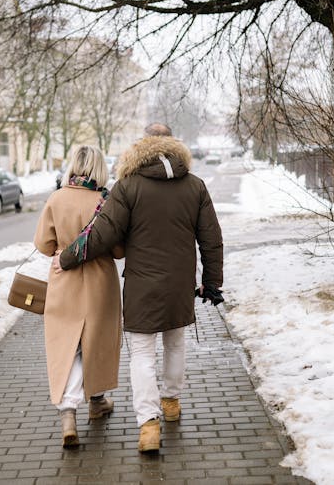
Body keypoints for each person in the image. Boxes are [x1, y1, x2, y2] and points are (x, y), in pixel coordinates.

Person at [53, 123, 224, 452]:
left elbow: (101, 234)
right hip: (179, 284)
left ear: (142, 146)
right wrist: (211, 282)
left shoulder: (128, 186)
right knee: (175, 343)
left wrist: (67, 259)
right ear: (174, 144)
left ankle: (148, 426)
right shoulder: (195, 186)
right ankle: (171, 402)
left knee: (142, 355)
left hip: (142, 285)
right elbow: (211, 239)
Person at [33, 145, 124, 448]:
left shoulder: (56, 198)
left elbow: (44, 244)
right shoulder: (106, 201)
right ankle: (96, 403)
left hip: (64, 281)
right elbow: (119, 250)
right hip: (100, 282)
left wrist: (63, 246)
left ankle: (68, 413)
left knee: (67, 347)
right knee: (95, 342)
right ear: (100, 168)